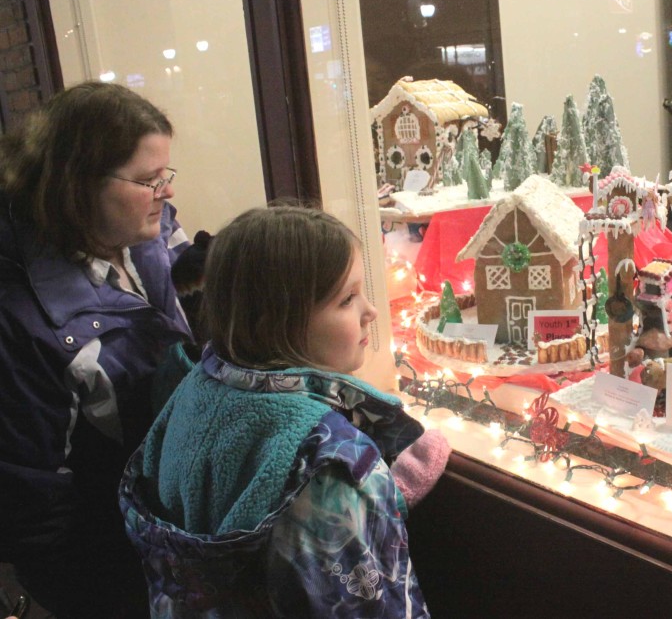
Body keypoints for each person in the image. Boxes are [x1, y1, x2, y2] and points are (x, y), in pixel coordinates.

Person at [120, 205, 450, 617]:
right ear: (275, 322)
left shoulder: (197, 386)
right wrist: (364, 481)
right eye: (347, 299)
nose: (371, 311)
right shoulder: (326, 469)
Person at [0, 82, 192, 617]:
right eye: (149, 180)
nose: (167, 193)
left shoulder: (141, 227)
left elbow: (185, 288)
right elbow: (34, 504)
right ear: (76, 185)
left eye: (165, 175)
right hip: (113, 560)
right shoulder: (21, 322)